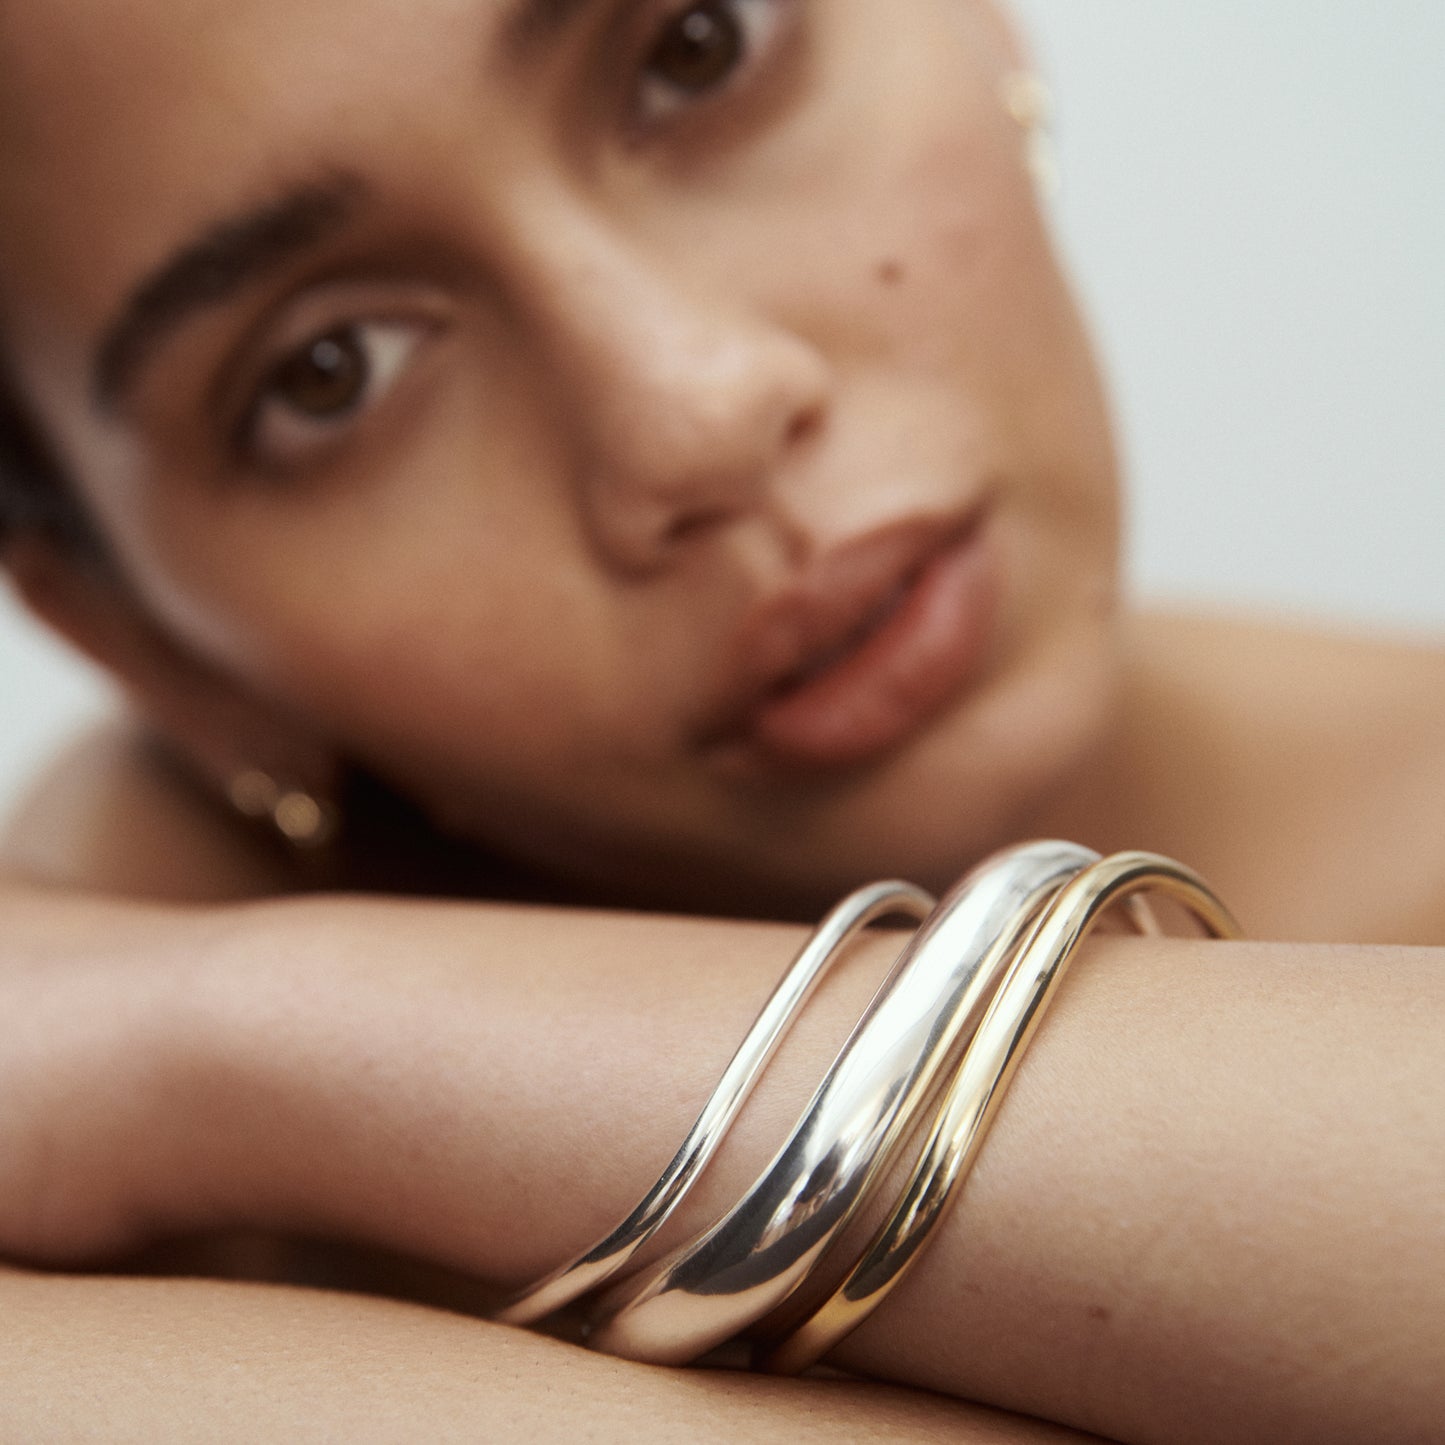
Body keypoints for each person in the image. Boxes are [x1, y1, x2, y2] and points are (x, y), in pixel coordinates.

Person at [0, 0, 1441, 1439]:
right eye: (333, 371)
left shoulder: (131, 1064)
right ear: (138, 638)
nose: (696, 412)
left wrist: (229, 1031)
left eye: (696, 47)